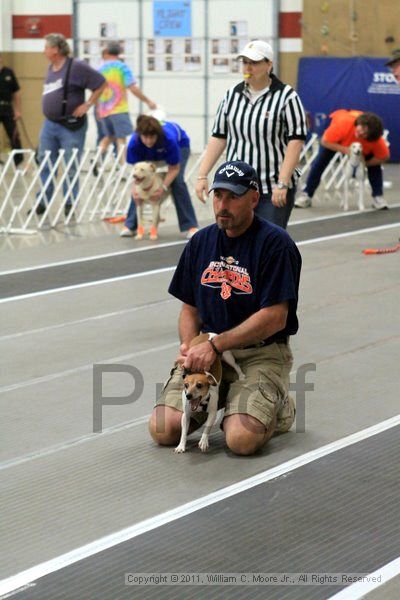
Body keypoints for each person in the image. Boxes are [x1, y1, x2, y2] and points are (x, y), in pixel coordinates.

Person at [149, 160, 302, 456]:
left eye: (233, 197)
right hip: (209, 352)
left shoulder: (275, 244)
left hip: (260, 352)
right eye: (218, 196)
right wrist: (189, 345)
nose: (223, 204)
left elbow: (275, 317)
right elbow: (189, 309)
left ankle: (278, 407)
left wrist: (216, 345)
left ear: (254, 199)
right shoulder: (200, 242)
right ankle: (224, 399)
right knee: (163, 430)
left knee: (241, 441)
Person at [195, 40, 307, 229]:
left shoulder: (287, 96)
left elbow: (295, 141)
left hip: (271, 186)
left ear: (269, 65)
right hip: (237, 186)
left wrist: (283, 183)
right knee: (234, 241)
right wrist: (202, 175)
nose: (248, 67)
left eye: (254, 63)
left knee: (268, 243)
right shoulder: (232, 95)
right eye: (245, 62)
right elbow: (219, 136)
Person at [34, 33, 106, 216]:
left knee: (70, 165)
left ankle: (69, 202)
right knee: (45, 162)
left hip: (71, 126)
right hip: (50, 123)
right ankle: (43, 200)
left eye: (46, 47)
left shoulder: (77, 67)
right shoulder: (51, 67)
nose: (44, 51)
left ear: (56, 49)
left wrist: (88, 104)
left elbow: (101, 83)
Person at [120, 115, 199, 239]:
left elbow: (174, 169)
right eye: (145, 137)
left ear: (158, 135)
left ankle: (190, 226)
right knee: (139, 188)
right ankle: (130, 225)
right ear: (140, 135)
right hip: (150, 153)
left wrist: (162, 188)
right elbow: (136, 173)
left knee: (177, 182)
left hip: (180, 145)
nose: (149, 141)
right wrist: (135, 189)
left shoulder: (169, 139)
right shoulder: (134, 144)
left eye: (152, 137)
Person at [295, 110, 390, 210]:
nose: (361, 132)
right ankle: (306, 195)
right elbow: (325, 141)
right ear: (360, 123)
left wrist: (364, 164)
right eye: (362, 127)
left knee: (375, 166)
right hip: (337, 137)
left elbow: (384, 157)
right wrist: (347, 150)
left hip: (361, 148)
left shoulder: (376, 141)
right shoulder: (343, 124)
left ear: (371, 137)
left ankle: (378, 197)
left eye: (365, 133)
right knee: (320, 162)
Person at [96, 42, 157, 165]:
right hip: (119, 109)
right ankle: (123, 166)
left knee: (108, 136)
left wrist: (97, 108)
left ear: (107, 53)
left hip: (103, 110)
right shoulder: (122, 68)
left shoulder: (100, 69)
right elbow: (132, 88)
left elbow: (95, 90)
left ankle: (96, 157)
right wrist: (148, 101)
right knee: (122, 139)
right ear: (118, 54)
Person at [0, 54, 23, 167]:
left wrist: (18, 110)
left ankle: (18, 161)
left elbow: (16, 92)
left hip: (7, 107)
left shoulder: (8, 72)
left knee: (13, 134)